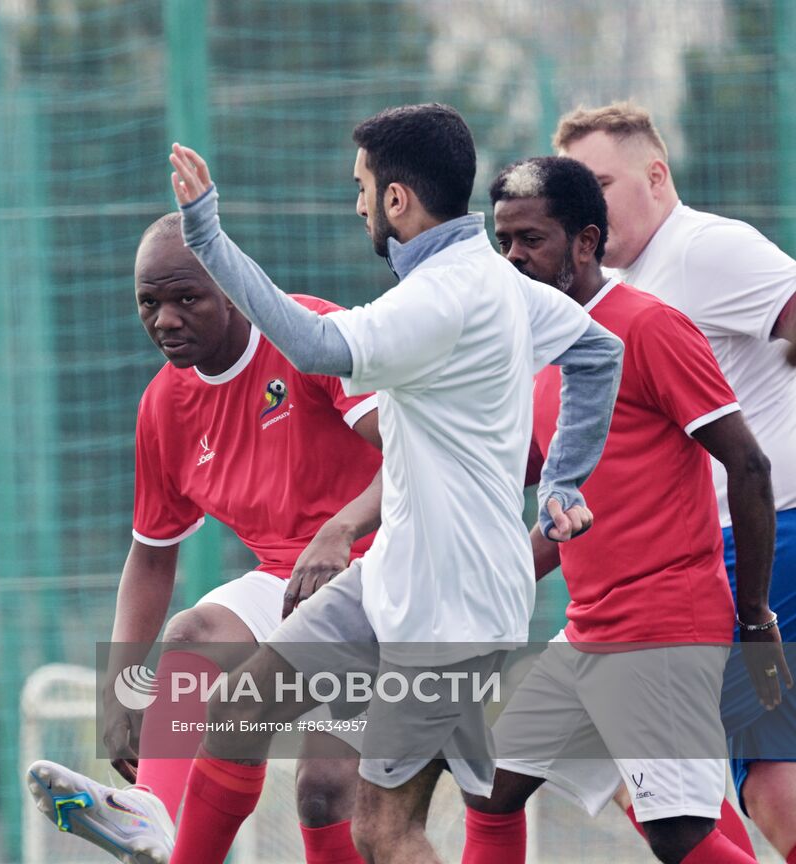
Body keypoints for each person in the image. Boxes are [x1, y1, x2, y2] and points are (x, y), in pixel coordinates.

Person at [131, 103, 623, 864]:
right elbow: (598, 353)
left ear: (397, 200)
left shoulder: (438, 299)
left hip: (451, 604)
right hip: (393, 575)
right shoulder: (486, 279)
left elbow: (315, 342)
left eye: (361, 188)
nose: (356, 203)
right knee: (239, 705)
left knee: (383, 829)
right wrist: (563, 478)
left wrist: (209, 238)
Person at [25, 211, 385, 864]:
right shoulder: (164, 406)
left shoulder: (306, 334)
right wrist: (119, 687)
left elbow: (419, 454)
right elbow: (152, 555)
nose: (165, 319)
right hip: (289, 583)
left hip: (393, 571)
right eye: (149, 303)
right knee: (194, 639)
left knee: (323, 788)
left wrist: (342, 529)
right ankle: (151, 816)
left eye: (185, 297)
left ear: (233, 288)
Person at [460, 154, 787, 864]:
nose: (513, 256)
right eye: (503, 240)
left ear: (584, 241)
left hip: (664, 628)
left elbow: (749, 464)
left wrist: (755, 617)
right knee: (490, 786)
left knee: (679, 833)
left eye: (532, 239)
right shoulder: (542, 348)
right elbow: (563, 499)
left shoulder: (647, 327)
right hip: (591, 632)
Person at [558, 102, 796, 859]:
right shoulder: (611, 302)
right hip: (712, 557)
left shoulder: (702, 249)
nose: (587, 206)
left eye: (602, 182)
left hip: (769, 539)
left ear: (656, 176)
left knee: (753, 783)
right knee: (753, 790)